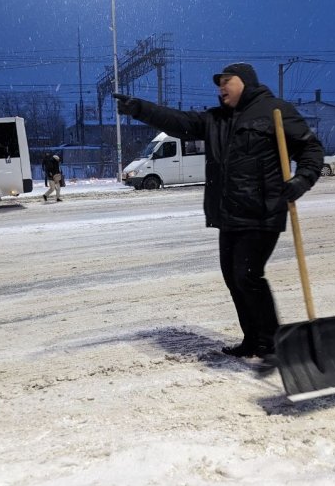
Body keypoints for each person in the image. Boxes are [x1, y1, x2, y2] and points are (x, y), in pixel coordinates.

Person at [114, 62, 324, 359]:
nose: (221, 87)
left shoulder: (276, 110)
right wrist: (140, 109)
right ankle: (254, 339)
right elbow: (178, 121)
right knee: (233, 276)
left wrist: (303, 179)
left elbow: (311, 149)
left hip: (263, 210)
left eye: (227, 81)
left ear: (246, 83)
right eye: (219, 83)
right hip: (229, 213)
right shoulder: (216, 119)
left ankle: (270, 341)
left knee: (247, 274)